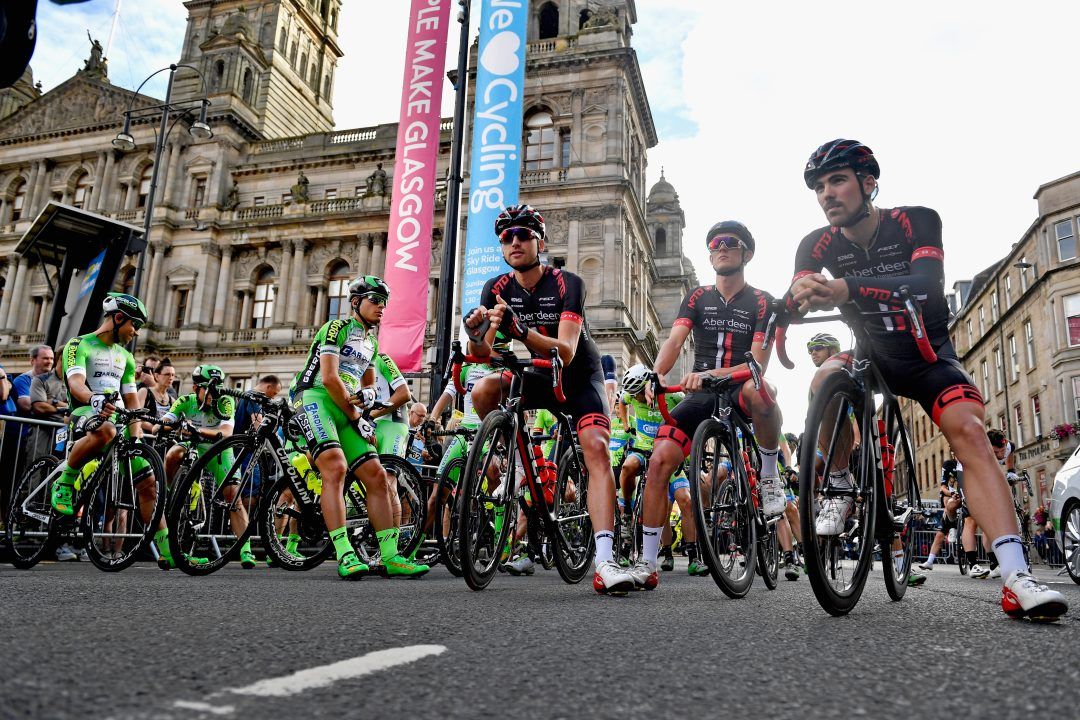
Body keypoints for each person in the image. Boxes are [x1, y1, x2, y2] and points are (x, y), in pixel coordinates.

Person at [790, 138, 1065, 619]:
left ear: (868, 183)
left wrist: (843, 287)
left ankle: (1017, 576)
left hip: (926, 355)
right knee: (823, 380)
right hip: (870, 355)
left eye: (836, 181)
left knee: (971, 433)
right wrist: (793, 299)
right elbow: (800, 290)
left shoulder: (917, 220)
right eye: (818, 187)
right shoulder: (816, 243)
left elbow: (924, 285)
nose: (826, 194)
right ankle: (839, 480)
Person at [464, 204, 635, 594]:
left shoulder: (567, 283)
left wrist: (520, 330)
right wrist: (475, 333)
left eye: (523, 234)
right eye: (506, 237)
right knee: (484, 389)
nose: (515, 242)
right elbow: (482, 353)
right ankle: (515, 451)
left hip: (577, 377)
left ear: (539, 241)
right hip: (538, 374)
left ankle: (605, 560)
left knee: (595, 447)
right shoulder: (495, 288)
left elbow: (567, 351)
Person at [627, 220, 784, 592]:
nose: (721, 247)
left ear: (747, 253)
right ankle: (647, 562)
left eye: (730, 243)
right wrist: (655, 374)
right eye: (714, 244)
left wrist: (719, 372)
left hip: (740, 385)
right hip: (699, 392)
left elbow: (759, 362)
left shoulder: (763, 301)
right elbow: (674, 339)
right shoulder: (697, 297)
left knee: (762, 391)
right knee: (660, 460)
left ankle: (768, 473)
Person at [289, 275, 428, 579]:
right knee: (335, 468)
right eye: (375, 301)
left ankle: (390, 556)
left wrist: (366, 401)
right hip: (315, 398)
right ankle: (344, 553)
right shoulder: (336, 328)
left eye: (384, 303)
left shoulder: (372, 343)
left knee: (376, 476)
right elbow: (328, 378)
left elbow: (368, 384)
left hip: (346, 406)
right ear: (356, 302)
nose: (381, 307)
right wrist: (356, 417)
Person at [51, 294, 161, 561]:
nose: (135, 332)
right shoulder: (79, 344)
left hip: (115, 418)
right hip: (84, 411)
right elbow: (76, 382)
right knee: (107, 430)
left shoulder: (126, 357)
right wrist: (93, 397)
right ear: (118, 318)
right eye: (134, 325)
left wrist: (136, 439)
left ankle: (168, 550)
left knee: (148, 483)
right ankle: (64, 481)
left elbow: (133, 402)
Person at [156, 365, 252, 568]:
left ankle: (245, 550)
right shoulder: (185, 401)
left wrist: (195, 428)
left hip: (218, 450)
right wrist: (168, 424)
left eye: (217, 387)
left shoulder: (225, 402)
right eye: (208, 388)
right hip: (193, 444)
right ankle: (168, 491)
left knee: (233, 496)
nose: (213, 393)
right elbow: (161, 424)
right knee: (174, 453)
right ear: (195, 388)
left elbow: (226, 433)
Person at [918, 458, 963, 571]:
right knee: (939, 534)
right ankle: (929, 561)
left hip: (965, 497)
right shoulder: (948, 465)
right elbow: (942, 488)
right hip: (952, 498)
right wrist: (952, 493)